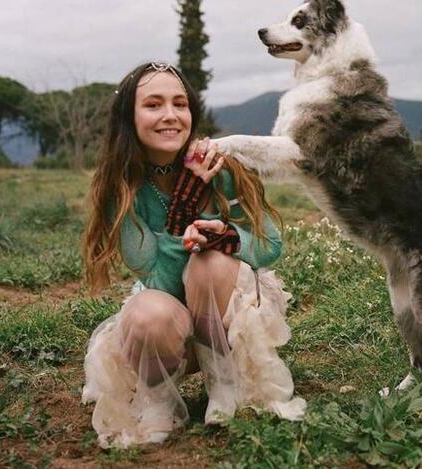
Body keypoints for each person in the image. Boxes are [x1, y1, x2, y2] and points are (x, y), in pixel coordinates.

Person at [80, 62, 306, 448]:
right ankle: (160, 398)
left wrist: (229, 236)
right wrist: (182, 206)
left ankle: (223, 382)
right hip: (168, 329)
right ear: (129, 118)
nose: (170, 115)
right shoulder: (123, 185)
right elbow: (156, 277)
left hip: (227, 316)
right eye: (153, 105)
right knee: (147, 312)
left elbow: (270, 246)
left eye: (179, 104)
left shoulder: (220, 164)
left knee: (211, 259)